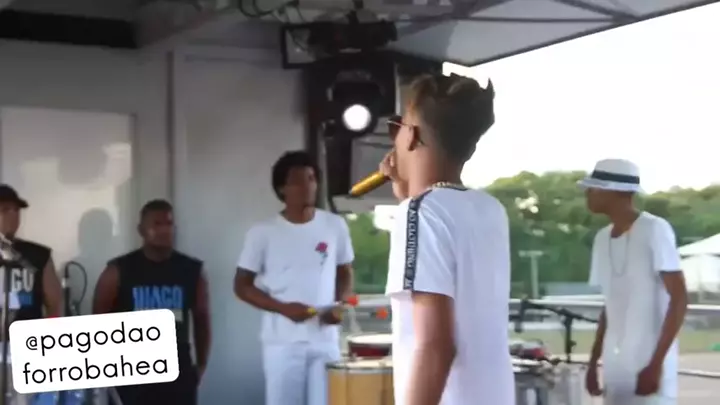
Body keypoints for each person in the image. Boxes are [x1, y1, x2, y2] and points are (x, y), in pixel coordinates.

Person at [381, 74, 514, 405]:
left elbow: (436, 346)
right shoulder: (489, 208)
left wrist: (410, 205)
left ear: (411, 135)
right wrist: (406, 194)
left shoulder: (420, 213)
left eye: (398, 126)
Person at [234, 150, 354, 405]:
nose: (307, 186)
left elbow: (345, 271)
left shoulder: (335, 226)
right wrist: (282, 308)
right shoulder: (262, 232)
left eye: (311, 179)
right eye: (298, 181)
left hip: (325, 340)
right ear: (282, 189)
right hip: (282, 344)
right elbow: (242, 286)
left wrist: (340, 304)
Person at [581, 159, 687, 405]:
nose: (587, 194)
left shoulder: (655, 229)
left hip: (649, 363)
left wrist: (656, 364)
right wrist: (594, 362)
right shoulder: (601, 238)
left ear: (613, 192)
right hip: (615, 366)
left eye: (593, 188)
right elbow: (610, 305)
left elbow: (680, 298)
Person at [93, 199, 211, 405]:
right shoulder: (118, 270)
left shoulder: (191, 270)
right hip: (131, 372)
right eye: (157, 224)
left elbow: (202, 319)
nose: (164, 230)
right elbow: (98, 322)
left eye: (168, 224)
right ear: (141, 230)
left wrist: (200, 366)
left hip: (177, 372)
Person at [0, 184, 62, 321]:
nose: (13, 215)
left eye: (16, 210)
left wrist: (49, 330)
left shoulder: (38, 255)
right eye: (5, 209)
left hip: (27, 333)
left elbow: (54, 305)